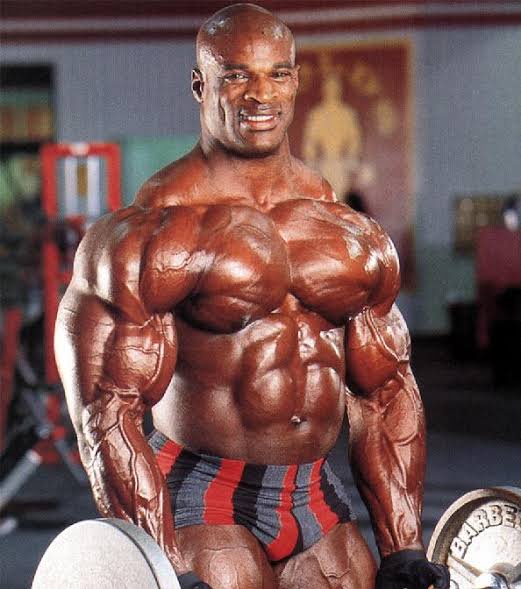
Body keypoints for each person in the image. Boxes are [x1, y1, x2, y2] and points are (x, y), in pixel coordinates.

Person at [54, 4, 449, 589]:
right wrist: (161, 564)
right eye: (236, 75)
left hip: (313, 492)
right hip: (203, 496)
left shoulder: (348, 231)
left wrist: (403, 547)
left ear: (296, 81)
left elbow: (385, 391)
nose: (260, 94)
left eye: (276, 74)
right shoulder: (152, 230)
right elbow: (107, 410)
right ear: (200, 85)